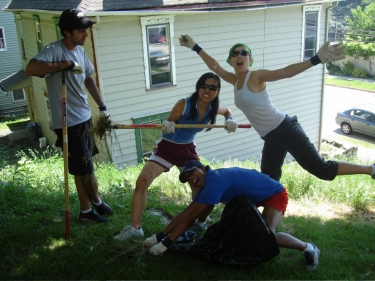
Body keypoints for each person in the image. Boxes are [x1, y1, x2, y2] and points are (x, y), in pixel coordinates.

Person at [178, 35, 375, 182]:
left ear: (250, 60)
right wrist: (195, 46)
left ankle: (370, 169)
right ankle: (268, 220)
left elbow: (286, 72)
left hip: (286, 129)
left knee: (320, 169)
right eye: (235, 54)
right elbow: (214, 65)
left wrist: (316, 59)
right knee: (269, 179)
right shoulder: (234, 79)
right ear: (231, 61)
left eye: (244, 53)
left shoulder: (255, 76)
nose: (239, 56)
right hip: (270, 137)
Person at [114, 72, 238, 240]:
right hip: (167, 148)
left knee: (201, 185)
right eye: (204, 86)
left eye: (212, 87)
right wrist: (168, 125)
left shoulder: (213, 108)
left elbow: (227, 110)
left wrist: (229, 119)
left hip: (187, 150)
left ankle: (199, 221)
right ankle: (135, 228)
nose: (207, 90)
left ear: (217, 91)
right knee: (142, 181)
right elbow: (169, 123)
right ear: (198, 87)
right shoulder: (184, 104)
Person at [143, 160, 320, 271]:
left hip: (273, 193)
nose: (192, 179)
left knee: (267, 236)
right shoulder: (207, 183)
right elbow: (186, 214)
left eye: (193, 173)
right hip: (253, 197)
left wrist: (164, 244)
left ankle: (309, 248)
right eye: (188, 178)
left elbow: (189, 220)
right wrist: (158, 236)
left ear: (202, 168)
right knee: (251, 234)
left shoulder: (213, 182)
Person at [25, 8, 113, 223]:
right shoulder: (53, 50)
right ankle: (85, 212)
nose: (85, 34)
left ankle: (96, 200)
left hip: (83, 117)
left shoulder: (79, 50)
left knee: (88, 163)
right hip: (67, 121)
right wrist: (64, 65)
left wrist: (101, 106)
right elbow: (31, 68)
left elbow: (88, 77)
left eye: (86, 30)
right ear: (66, 32)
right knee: (80, 168)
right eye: (81, 30)